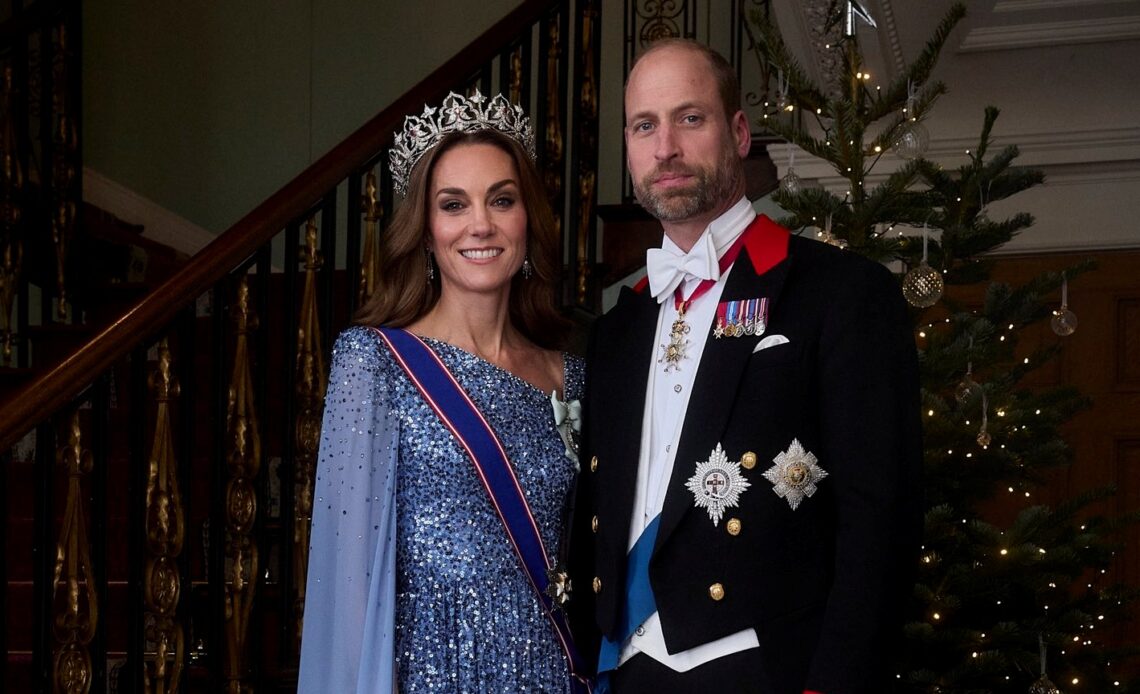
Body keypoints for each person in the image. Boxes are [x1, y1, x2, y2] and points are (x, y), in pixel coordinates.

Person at [568, 39, 923, 694]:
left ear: (737, 132)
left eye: (689, 117)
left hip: (770, 667)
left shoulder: (839, 295)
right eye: (645, 125)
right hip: (629, 671)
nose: (665, 146)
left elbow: (880, 519)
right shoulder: (616, 330)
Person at [298, 91, 591, 693]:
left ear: (527, 219)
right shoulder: (375, 363)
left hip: (555, 674)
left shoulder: (573, 375)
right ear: (426, 232)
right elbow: (347, 586)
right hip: (438, 674)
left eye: (501, 200)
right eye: (453, 205)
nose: (480, 224)